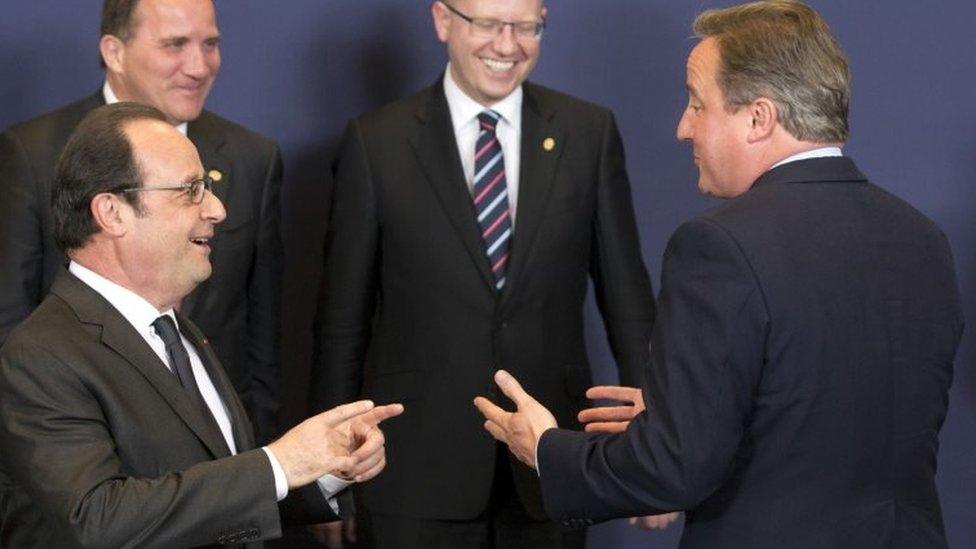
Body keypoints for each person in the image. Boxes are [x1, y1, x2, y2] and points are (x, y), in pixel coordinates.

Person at [474, 1, 964, 547]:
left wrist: (545, 448)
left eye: (696, 104)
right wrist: (690, 409)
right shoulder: (923, 240)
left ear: (758, 118)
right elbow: (832, 413)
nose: (684, 128)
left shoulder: (719, 245)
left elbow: (672, 469)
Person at [310, 0, 656, 545]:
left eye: (527, 27)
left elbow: (629, 301)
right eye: (489, 24)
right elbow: (341, 325)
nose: (507, 44)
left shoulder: (587, 133)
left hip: (552, 464)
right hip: (416, 469)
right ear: (443, 20)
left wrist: (652, 451)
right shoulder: (377, 142)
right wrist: (325, 477)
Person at [0, 102, 403, 548]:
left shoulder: (179, 331)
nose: (217, 209)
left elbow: (214, 504)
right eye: (192, 189)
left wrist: (321, 472)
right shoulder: (39, 356)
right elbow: (97, 521)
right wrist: (277, 464)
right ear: (112, 212)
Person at [0, 0, 283, 444]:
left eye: (210, 44)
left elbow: (262, 341)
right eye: (174, 44)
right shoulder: (34, 153)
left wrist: (273, 474)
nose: (198, 66)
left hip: (228, 463)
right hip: (89, 451)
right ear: (114, 52)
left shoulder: (252, 157)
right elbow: (10, 322)